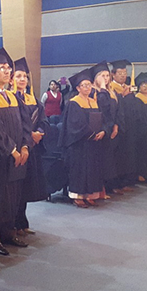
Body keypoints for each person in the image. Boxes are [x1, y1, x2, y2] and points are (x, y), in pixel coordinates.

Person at [0, 48, 31, 252]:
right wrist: (12, 150)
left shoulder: (13, 96)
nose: (7, 71)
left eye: (8, 68)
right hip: (3, 157)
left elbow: (26, 124)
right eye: (2, 68)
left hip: (18, 156)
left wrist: (25, 147)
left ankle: (8, 231)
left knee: (14, 195)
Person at [59, 68, 105, 208]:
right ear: (78, 88)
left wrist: (102, 131)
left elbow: (100, 120)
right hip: (79, 143)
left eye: (89, 84)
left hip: (93, 143)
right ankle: (78, 196)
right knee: (80, 169)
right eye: (83, 85)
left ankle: (90, 194)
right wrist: (91, 134)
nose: (87, 87)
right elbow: (75, 124)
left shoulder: (93, 101)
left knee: (92, 168)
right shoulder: (74, 102)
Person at [12, 57, 48, 234]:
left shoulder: (32, 99)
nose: (22, 79)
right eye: (18, 76)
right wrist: (29, 136)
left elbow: (43, 120)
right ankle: (13, 223)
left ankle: (22, 221)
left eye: (24, 76)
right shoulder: (9, 99)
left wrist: (40, 131)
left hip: (32, 149)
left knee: (26, 187)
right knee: (15, 190)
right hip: (19, 148)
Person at [90, 61, 122, 198]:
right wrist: (103, 88)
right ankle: (100, 188)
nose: (106, 78)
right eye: (102, 75)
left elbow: (116, 110)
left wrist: (115, 125)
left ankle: (109, 186)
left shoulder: (111, 92)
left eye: (107, 75)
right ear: (96, 78)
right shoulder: (94, 92)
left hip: (110, 128)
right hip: (100, 129)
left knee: (110, 159)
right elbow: (102, 110)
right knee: (101, 160)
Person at [108, 59, 138, 189]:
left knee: (128, 153)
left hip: (130, 125)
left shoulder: (127, 87)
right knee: (118, 155)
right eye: (119, 73)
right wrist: (123, 96)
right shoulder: (111, 88)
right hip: (119, 126)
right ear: (113, 74)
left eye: (124, 72)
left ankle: (127, 180)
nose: (123, 75)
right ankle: (117, 182)